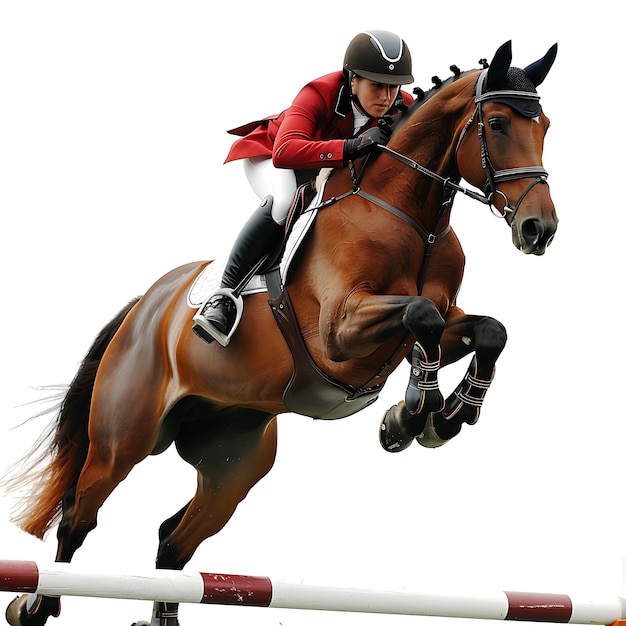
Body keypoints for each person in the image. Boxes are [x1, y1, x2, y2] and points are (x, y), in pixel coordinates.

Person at [193, 29, 414, 346]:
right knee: (284, 202)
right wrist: (351, 146)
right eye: (376, 85)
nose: (386, 96)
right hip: (274, 158)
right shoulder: (319, 93)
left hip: (324, 170)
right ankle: (223, 297)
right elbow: (285, 152)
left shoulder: (401, 107)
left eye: (394, 87)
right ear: (352, 80)